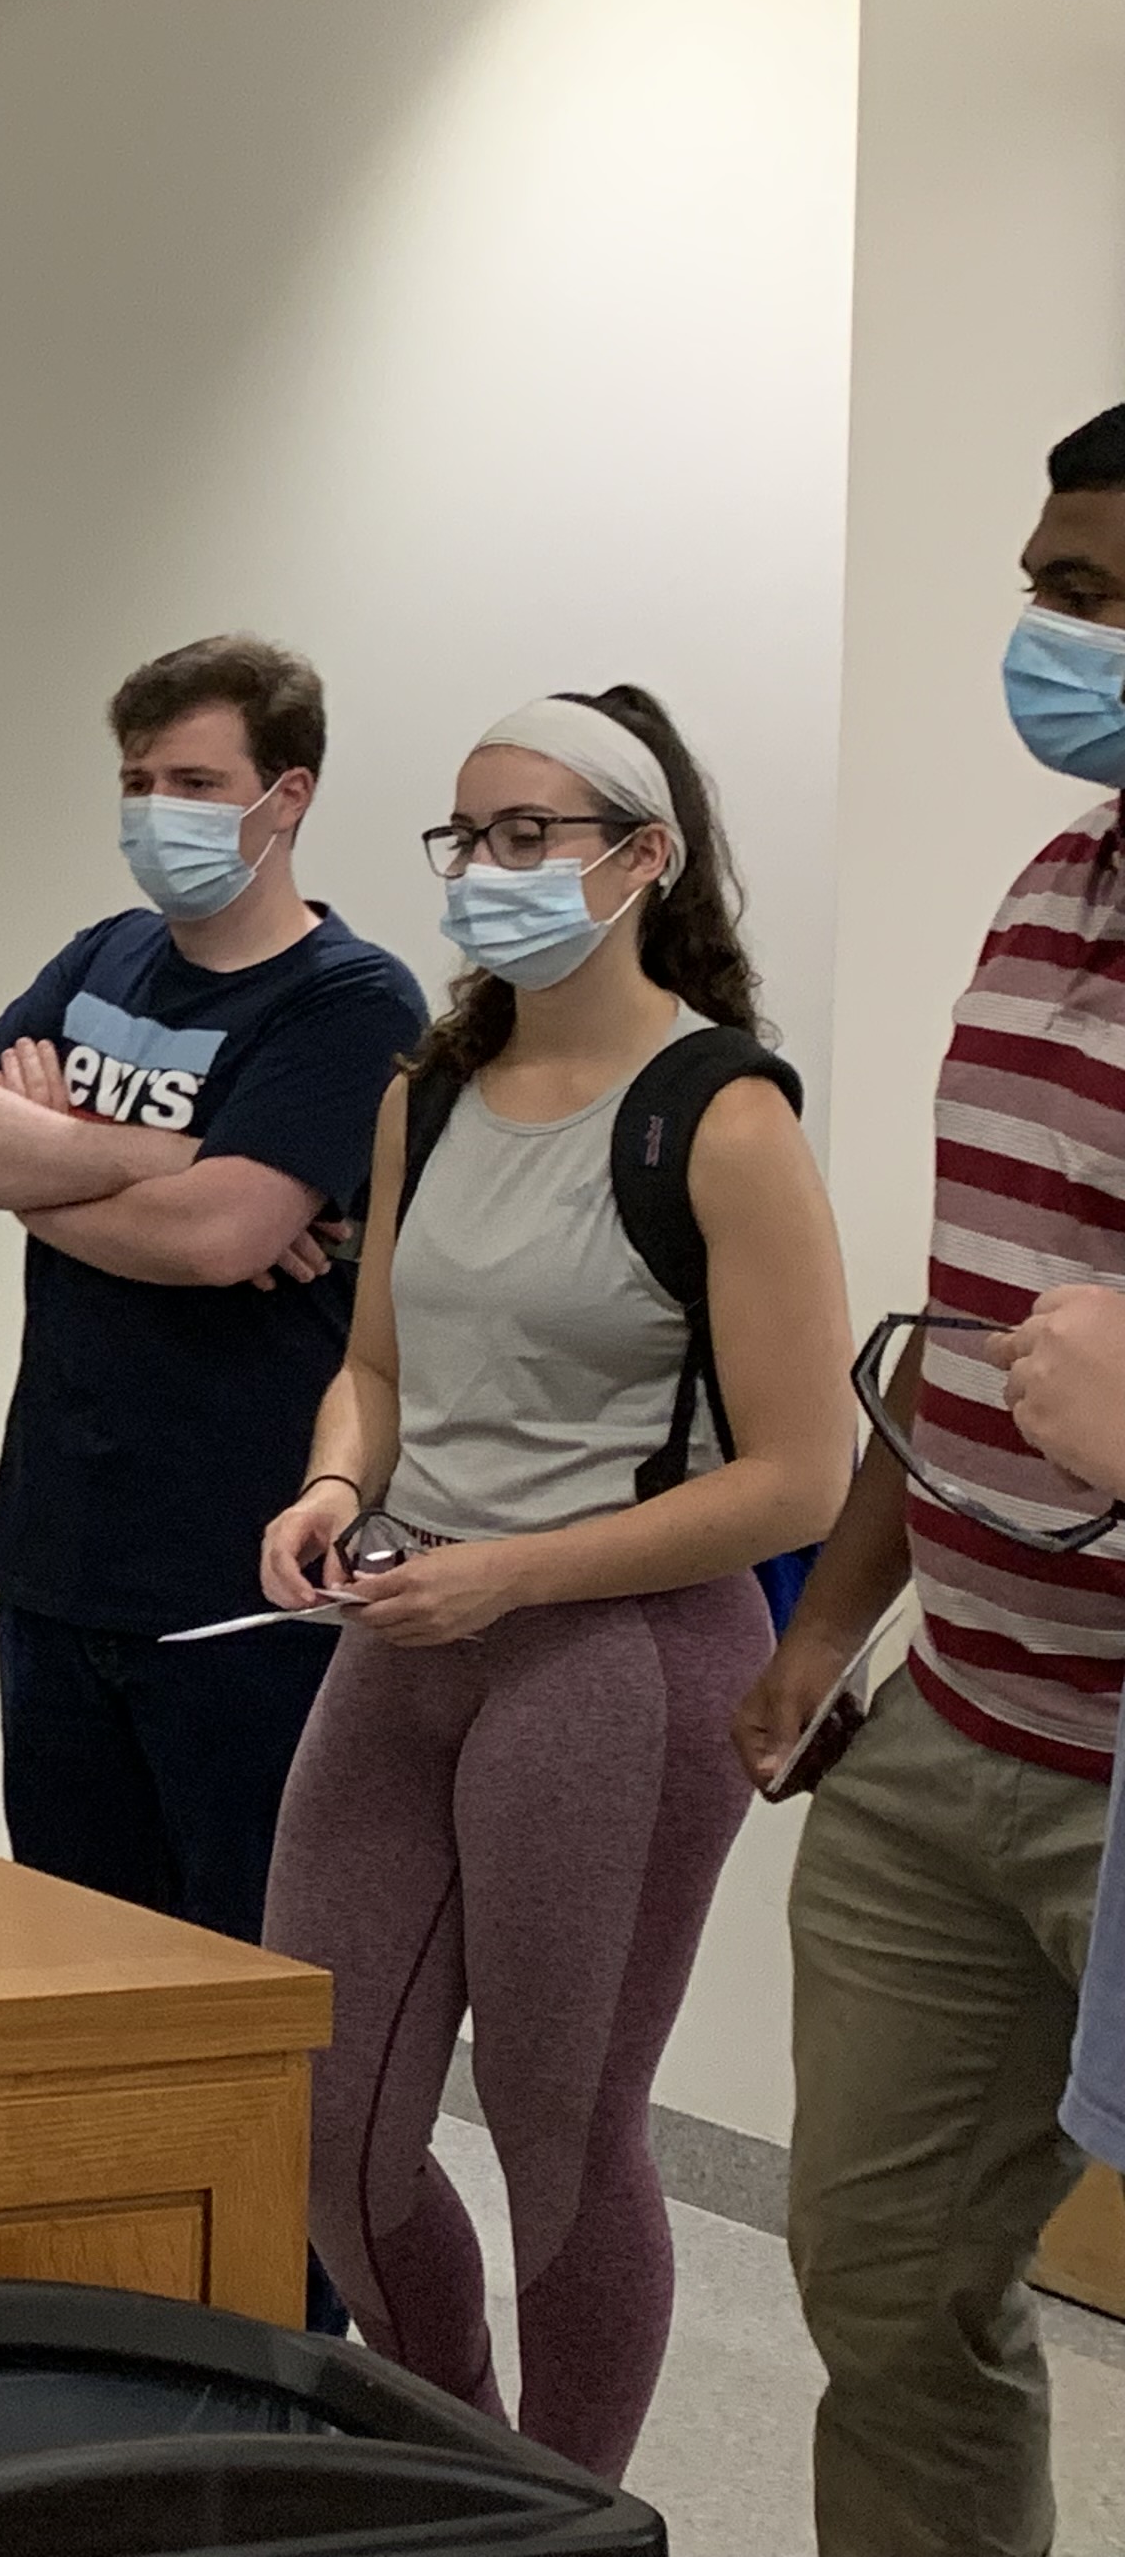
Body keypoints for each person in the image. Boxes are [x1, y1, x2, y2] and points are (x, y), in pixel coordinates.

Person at [258, 686, 854, 2484]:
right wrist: (334, 1478)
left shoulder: (721, 1116)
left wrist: (511, 1570)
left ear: (640, 857)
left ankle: (559, 2510)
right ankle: (453, 2460)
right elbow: (373, 1355)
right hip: (414, 1622)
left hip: (621, 1655)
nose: (489, 870)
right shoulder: (422, 1094)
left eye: (532, 834)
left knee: (557, 2120)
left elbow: (797, 1471)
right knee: (327, 2107)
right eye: (467, 837)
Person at [750, 401, 1125, 2557]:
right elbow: (970, 1302)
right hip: (950, 1719)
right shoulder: (1057, 876)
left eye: (1085, 600)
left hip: (1121, 1760)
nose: (1039, 639)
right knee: (884, 2290)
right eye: (1043, 587)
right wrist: (827, 1623)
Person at [0, 634, 427, 1957]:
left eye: (197, 782)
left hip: (240, 1570)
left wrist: (46, 1165)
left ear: (288, 795)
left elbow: (219, 1242)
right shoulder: (106, 956)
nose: (158, 812)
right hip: (56, 1549)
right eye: (138, 780)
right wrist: (172, 1160)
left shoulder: (351, 1000)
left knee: (236, 1962)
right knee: (77, 1957)